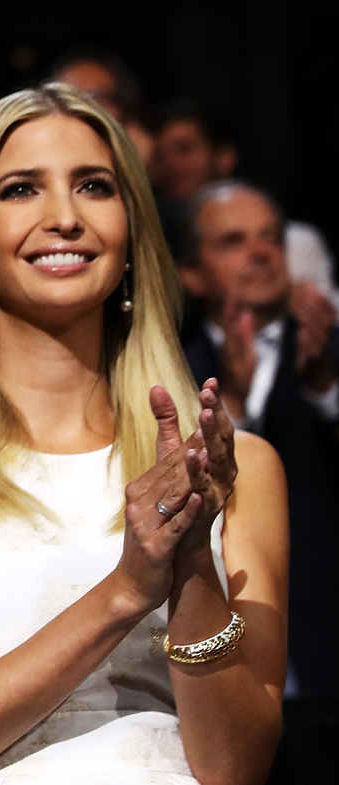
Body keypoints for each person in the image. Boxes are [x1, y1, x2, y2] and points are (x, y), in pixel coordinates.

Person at [0, 83, 287, 784]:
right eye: (19, 190)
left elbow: (236, 765)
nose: (65, 217)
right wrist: (127, 590)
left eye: (94, 186)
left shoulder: (238, 464)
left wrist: (192, 558)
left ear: (131, 230)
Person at [173, 180, 339, 783]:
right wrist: (234, 405)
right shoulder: (168, 370)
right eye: (234, 241)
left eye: (271, 236)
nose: (263, 252)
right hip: (217, 678)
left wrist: (324, 386)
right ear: (191, 273)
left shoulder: (328, 353)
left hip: (327, 661)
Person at [153, 102, 339, 311]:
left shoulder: (298, 240)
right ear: (191, 274)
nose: (171, 164)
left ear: (225, 157)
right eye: (159, 156)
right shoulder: (157, 248)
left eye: (184, 150)